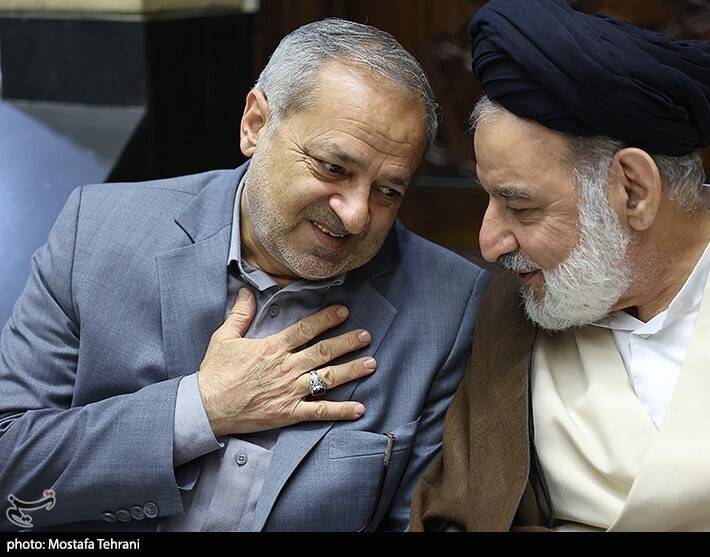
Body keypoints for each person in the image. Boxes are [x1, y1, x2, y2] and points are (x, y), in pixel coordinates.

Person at [0, 18, 490, 532]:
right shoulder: (99, 234)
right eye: (333, 168)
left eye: (388, 191)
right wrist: (201, 409)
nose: (355, 215)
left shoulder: (447, 307)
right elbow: (11, 463)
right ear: (255, 124)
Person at [411, 0, 710, 532]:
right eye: (488, 198)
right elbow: (454, 515)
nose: (489, 243)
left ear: (633, 191)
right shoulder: (513, 309)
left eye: (520, 206)